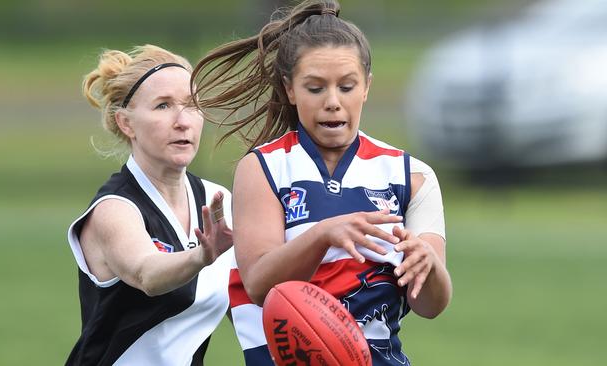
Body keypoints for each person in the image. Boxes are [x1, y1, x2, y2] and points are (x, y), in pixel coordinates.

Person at [191, 1, 452, 365]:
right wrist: (323, 234)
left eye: (347, 86)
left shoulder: (412, 176)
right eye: (315, 88)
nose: (333, 102)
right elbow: (260, 284)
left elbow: (430, 305)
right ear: (290, 89)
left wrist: (429, 266)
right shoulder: (263, 168)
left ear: (367, 87)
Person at [65, 44, 233, 366]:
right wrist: (201, 256)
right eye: (163, 106)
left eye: (192, 105)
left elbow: (251, 304)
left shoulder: (218, 200)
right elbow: (147, 274)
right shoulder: (113, 210)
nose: (183, 121)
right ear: (126, 123)